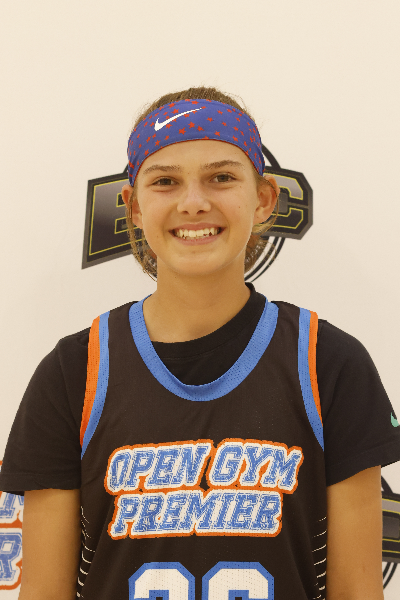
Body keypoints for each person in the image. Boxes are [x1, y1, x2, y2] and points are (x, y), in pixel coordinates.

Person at [0, 86, 399, 600]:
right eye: (165, 181)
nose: (194, 203)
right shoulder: (74, 372)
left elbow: (358, 591)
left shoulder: (329, 364)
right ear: (133, 207)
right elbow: (44, 593)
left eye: (221, 177)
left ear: (264, 199)